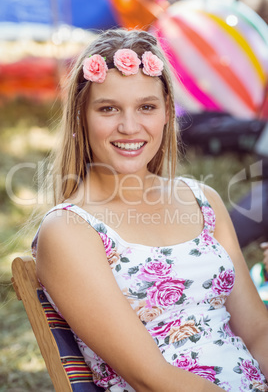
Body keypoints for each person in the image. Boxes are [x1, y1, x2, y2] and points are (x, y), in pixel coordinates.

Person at [31, 29, 268, 391]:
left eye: (146, 107)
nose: (129, 127)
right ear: (81, 117)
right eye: (108, 108)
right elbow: (151, 379)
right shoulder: (69, 230)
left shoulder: (203, 201)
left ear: (167, 113)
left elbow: (258, 333)